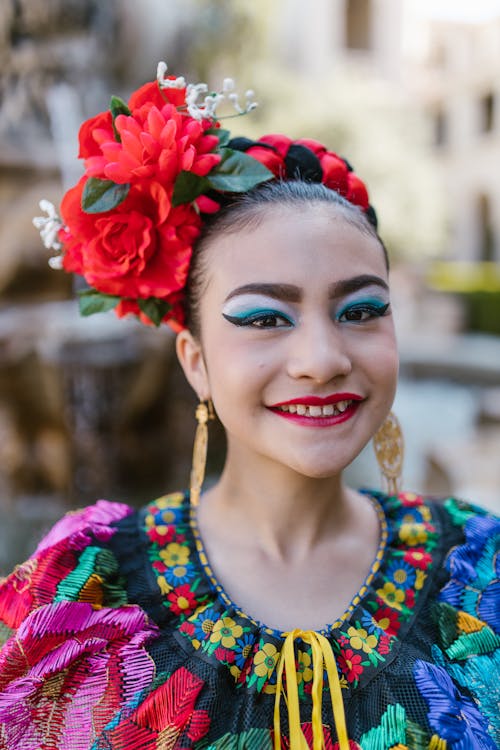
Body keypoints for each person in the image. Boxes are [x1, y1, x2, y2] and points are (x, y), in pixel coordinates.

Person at [0, 63, 498, 750]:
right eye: (265, 318)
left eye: (361, 310)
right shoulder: (89, 593)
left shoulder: (482, 572)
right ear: (195, 361)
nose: (322, 359)